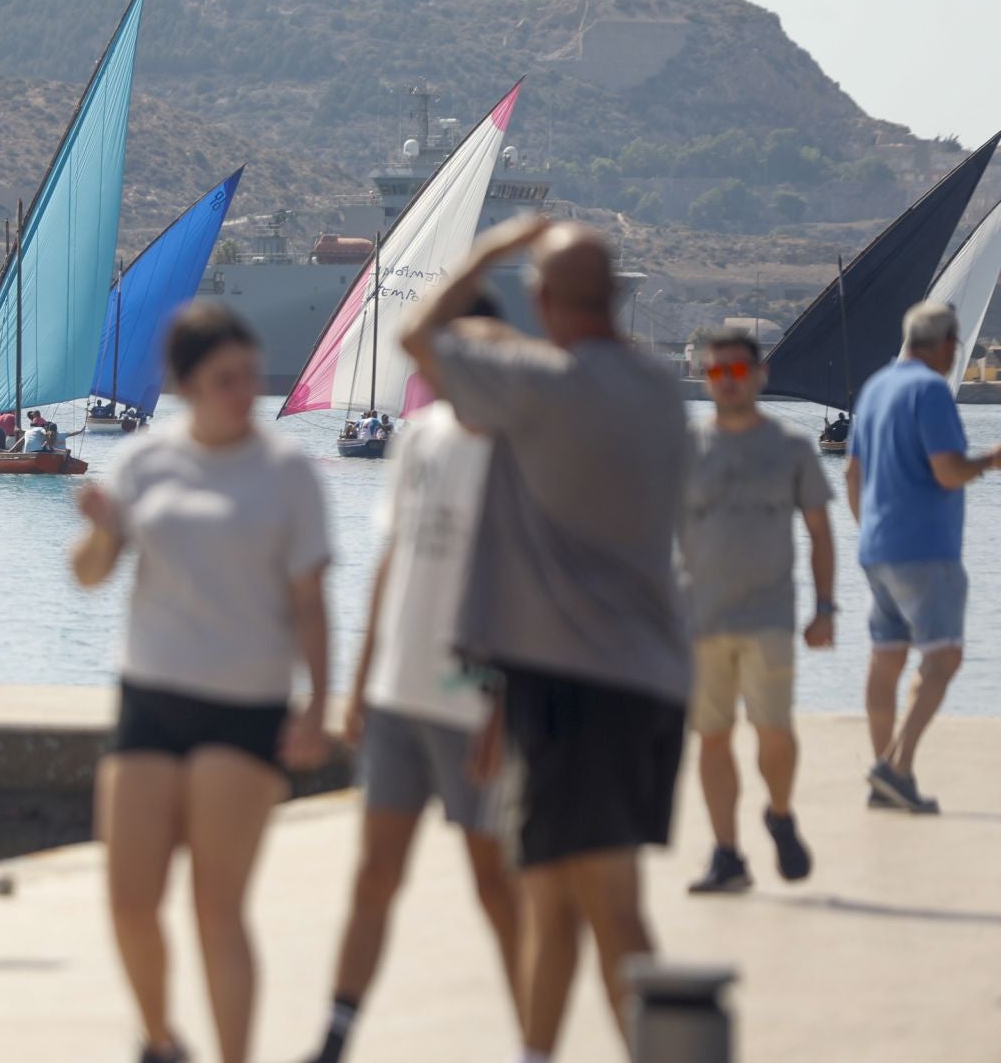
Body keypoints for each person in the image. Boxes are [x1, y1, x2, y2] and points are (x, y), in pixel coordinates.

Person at [403, 217, 691, 1061]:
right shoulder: (660, 393)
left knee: (600, 897)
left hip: (573, 688)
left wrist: (487, 251)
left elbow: (416, 334)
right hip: (643, 683)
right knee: (557, 894)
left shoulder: (541, 387)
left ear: (543, 297)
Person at [71, 302, 332, 1063]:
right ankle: (159, 1041)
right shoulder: (145, 461)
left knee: (216, 907)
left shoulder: (286, 473)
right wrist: (100, 528)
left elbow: (310, 603)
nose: (243, 392)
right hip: (149, 696)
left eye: (250, 376)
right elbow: (89, 577)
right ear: (185, 383)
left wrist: (319, 703)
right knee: (128, 900)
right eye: (225, 380)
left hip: (245, 706)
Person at [305, 294, 521, 1063]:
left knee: (493, 880)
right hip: (399, 695)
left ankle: (535, 1038)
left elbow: (528, 593)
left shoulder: (519, 451)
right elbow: (391, 564)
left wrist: (501, 713)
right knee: (375, 872)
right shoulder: (421, 439)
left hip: (475, 703)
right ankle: (335, 1034)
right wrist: (360, 686)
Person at [678, 328, 835, 893]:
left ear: (759, 377)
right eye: (717, 373)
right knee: (712, 738)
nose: (727, 382)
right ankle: (727, 855)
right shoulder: (686, 450)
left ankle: (781, 812)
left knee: (774, 731)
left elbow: (820, 532)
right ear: (706, 378)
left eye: (738, 372)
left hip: (769, 617)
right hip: (701, 622)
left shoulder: (791, 449)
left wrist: (826, 608)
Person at [846, 301, 1001, 813]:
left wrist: (870, 531)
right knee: (945, 656)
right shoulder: (932, 390)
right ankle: (895, 764)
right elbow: (948, 471)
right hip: (926, 549)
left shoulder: (875, 388)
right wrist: (992, 459)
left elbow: (852, 475)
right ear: (945, 344)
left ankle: (885, 780)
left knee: (886, 658)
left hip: (877, 548)